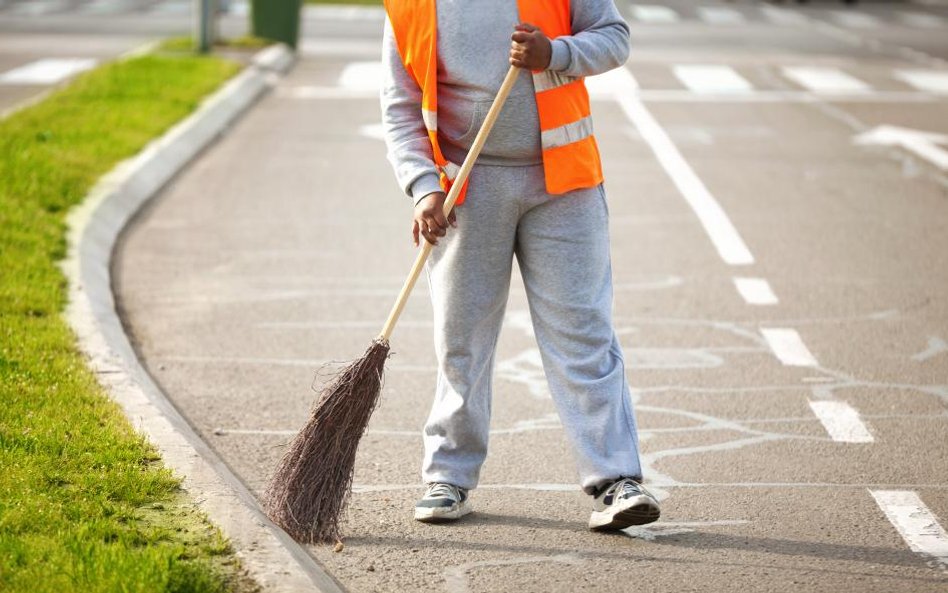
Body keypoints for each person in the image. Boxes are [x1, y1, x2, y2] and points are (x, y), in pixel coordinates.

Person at [380, 0, 660, 531]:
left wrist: (555, 52)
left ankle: (615, 480)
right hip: (466, 190)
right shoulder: (410, 4)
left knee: (583, 333)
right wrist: (422, 189)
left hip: (565, 188)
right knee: (461, 339)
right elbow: (400, 105)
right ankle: (449, 478)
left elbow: (614, 38)